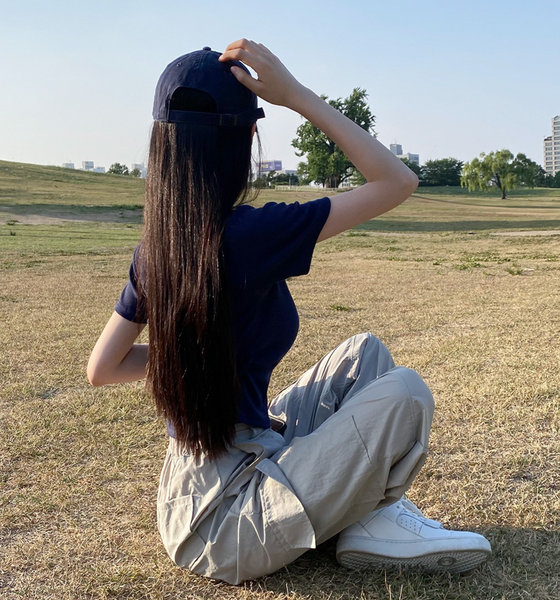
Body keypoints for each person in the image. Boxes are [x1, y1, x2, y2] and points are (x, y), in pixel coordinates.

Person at [87, 40, 491, 585]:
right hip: (230, 524)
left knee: (364, 355)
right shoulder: (252, 234)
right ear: (246, 138)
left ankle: (366, 515)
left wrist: (197, 343)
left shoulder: (159, 246)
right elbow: (397, 181)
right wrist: (298, 97)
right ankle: (368, 519)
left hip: (191, 497)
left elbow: (102, 368)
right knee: (407, 393)